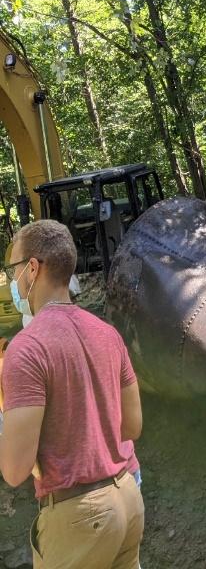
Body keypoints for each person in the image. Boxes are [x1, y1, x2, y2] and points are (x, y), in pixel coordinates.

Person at [0, 220, 144, 568]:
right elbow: (132, 426)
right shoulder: (107, 335)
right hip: (128, 499)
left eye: (12, 270)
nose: (11, 281)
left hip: (79, 517)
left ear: (32, 268)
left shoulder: (27, 349)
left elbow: (15, 470)